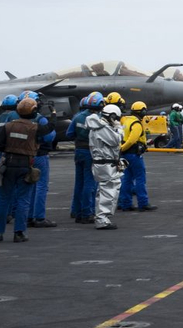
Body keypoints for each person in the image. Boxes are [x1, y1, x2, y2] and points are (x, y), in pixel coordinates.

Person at [0, 97, 55, 242]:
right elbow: (49, 129)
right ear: (34, 111)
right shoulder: (34, 128)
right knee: (24, 200)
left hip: (8, 164)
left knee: (4, 199)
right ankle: (19, 233)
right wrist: (53, 113)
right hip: (25, 165)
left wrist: (11, 149)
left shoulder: (8, 126)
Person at [66, 92, 102, 224]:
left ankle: (76, 211)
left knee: (79, 183)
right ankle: (87, 213)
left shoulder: (77, 117)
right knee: (90, 184)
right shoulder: (98, 119)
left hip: (79, 152)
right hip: (91, 152)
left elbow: (69, 134)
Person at [88, 104, 124, 229]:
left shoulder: (98, 126)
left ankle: (102, 217)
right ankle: (102, 219)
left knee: (106, 190)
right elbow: (115, 140)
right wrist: (119, 129)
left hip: (104, 163)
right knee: (108, 191)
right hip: (105, 163)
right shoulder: (101, 128)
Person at [118, 101, 157, 212]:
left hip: (125, 155)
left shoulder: (126, 120)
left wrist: (121, 150)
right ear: (142, 111)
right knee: (140, 178)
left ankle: (126, 204)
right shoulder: (136, 124)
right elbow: (131, 140)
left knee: (127, 179)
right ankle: (143, 203)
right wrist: (122, 148)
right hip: (134, 155)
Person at [26, 104, 58, 228]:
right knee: (41, 186)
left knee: (30, 186)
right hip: (40, 155)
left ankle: (29, 216)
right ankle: (39, 217)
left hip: (27, 155)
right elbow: (49, 137)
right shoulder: (40, 119)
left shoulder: (19, 119)